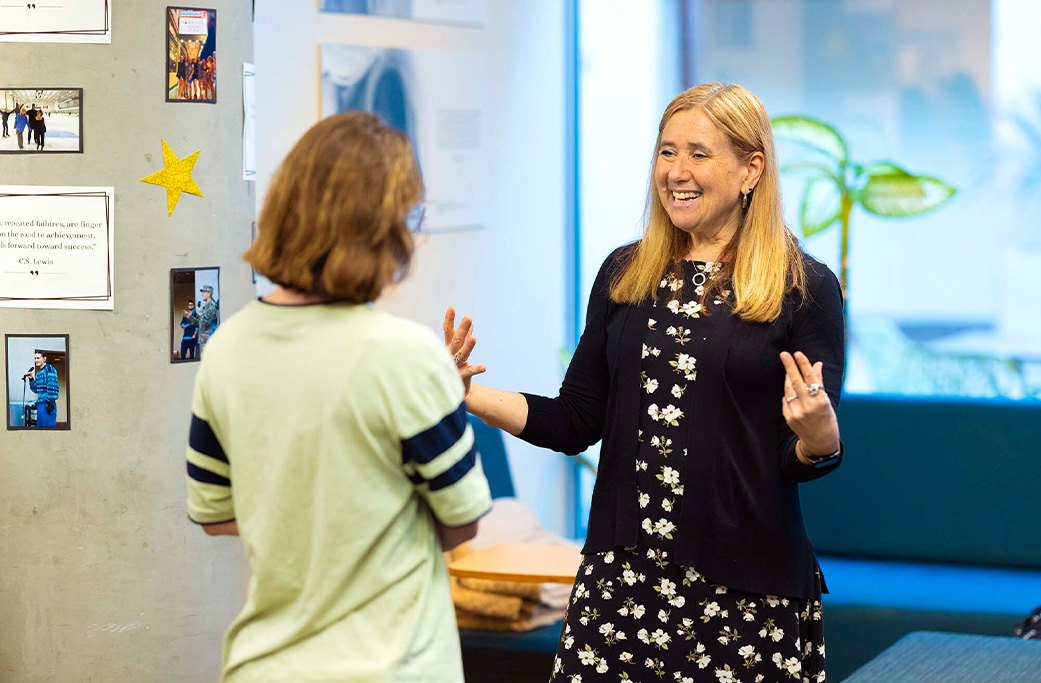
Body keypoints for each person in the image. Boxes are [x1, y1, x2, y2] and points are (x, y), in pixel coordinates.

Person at [446, 83, 845, 682]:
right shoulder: (626, 273)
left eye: (699, 154)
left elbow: (803, 456)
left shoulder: (803, 287)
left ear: (750, 169)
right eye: (666, 151)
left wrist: (819, 437)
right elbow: (576, 419)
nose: (676, 172)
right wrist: (464, 393)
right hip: (622, 585)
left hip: (744, 590)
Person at [186, 111, 492, 682]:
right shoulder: (406, 356)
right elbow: (463, 521)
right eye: (410, 217)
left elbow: (215, 515)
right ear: (385, 230)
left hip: (263, 666)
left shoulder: (225, 348)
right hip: (390, 667)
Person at [26, 352, 60, 428]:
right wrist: (31, 378)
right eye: (35, 358)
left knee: (48, 430)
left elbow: (53, 387)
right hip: (40, 405)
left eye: (38, 358)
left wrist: (49, 402)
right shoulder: (39, 373)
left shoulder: (49, 369)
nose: (36, 360)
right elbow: (35, 389)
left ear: (44, 359)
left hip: (47, 404)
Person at [196, 285, 218, 355]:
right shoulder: (205, 307)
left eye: (204, 292)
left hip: (209, 339)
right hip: (204, 339)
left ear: (209, 293)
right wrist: (189, 317)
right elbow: (199, 322)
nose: (202, 294)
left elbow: (205, 322)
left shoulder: (212, 306)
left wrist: (198, 312)